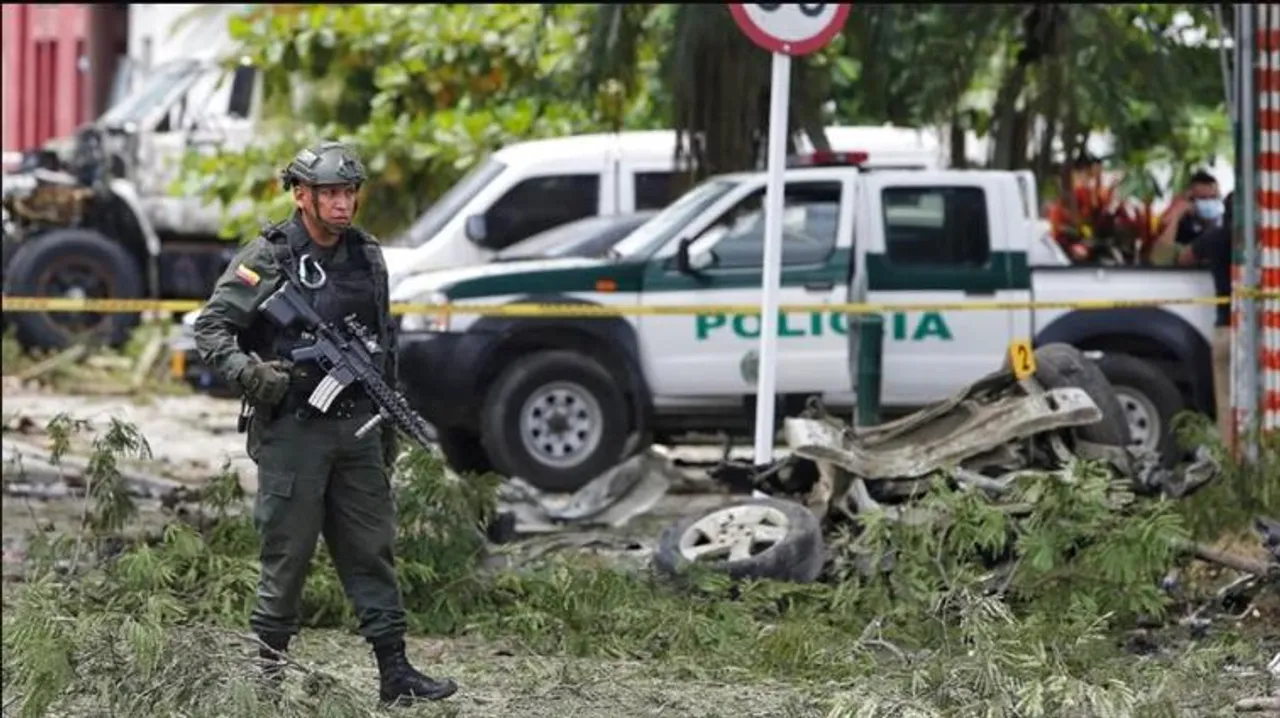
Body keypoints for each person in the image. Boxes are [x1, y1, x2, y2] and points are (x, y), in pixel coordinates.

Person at [193, 141, 458, 705]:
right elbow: (212, 328)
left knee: (373, 551)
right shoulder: (268, 257)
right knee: (285, 557)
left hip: (357, 428)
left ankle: (395, 674)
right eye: (331, 194)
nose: (343, 205)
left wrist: (385, 425)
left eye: (349, 193)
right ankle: (265, 686)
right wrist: (252, 373)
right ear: (301, 195)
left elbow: (383, 345)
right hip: (293, 432)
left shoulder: (367, 256)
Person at [1164, 191, 1235, 446]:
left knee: (1226, 404)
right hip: (1259, 333)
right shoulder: (1263, 241)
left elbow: (1182, 258)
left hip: (1225, 329)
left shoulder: (1215, 237)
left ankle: (1232, 462)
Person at [1156, 170, 1224, 249]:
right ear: (1190, 200)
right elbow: (1161, 251)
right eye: (1203, 198)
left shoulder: (1228, 222)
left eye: (1213, 197)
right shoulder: (1181, 224)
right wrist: (1178, 212)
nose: (1209, 203)